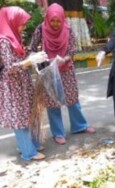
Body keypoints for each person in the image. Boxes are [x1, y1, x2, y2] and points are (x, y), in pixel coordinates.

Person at [30, 3, 95, 145]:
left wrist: (64, 59)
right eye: (52, 20)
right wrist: (39, 58)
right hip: (48, 71)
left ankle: (79, 126)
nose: (55, 24)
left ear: (62, 18)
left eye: (58, 20)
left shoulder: (68, 29)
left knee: (72, 98)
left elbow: (72, 50)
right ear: (47, 18)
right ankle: (58, 133)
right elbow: (32, 49)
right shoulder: (41, 29)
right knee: (53, 102)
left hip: (66, 70)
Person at [0, 6, 48, 160]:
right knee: (19, 119)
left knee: (26, 115)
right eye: (22, 23)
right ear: (12, 21)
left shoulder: (15, 38)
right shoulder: (4, 42)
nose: (24, 27)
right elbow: (8, 69)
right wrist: (28, 62)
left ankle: (25, 145)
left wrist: (34, 56)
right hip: (13, 86)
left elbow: (22, 56)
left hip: (22, 84)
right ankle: (29, 152)